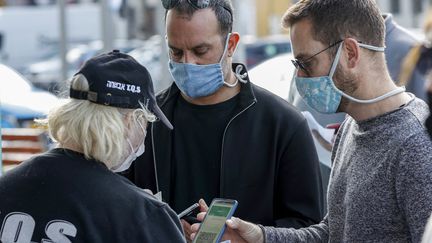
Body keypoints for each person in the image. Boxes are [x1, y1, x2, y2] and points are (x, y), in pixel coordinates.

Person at [191, 0, 432, 242]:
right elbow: (331, 232)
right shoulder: (352, 125)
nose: (299, 76)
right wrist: (261, 236)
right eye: (297, 65)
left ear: (350, 53)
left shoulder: (415, 145)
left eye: (306, 63)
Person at [124, 0, 324, 237]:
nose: (188, 63)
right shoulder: (145, 122)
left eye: (200, 51)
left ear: (231, 44)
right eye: (176, 51)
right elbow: (118, 214)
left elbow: (311, 230)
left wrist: (251, 236)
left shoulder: (283, 125)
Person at [0, 50, 185, 242]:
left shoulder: (7, 188)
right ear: (132, 120)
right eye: (146, 123)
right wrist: (142, 208)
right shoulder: (140, 215)